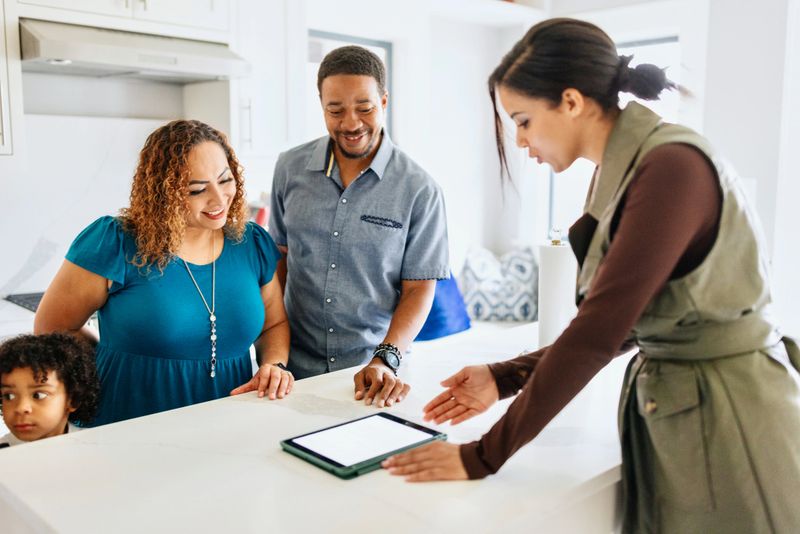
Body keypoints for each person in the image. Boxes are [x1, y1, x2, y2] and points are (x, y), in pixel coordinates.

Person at [383, 18, 800, 533]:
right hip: (687, 408)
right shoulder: (622, 171)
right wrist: (504, 375)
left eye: (523, 119)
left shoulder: (671, 167)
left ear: (572, 102)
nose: (518, 140)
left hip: (731, 416)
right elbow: (627, 323)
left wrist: (482, 456)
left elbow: (599, 332)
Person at [35, 120, 293, 426]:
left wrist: (274, 365)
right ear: (163, 192)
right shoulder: (115, 242)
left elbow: (273, 324)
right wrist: (114, 357)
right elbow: (53, 328)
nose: (219, 198)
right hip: (126, 421)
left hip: (230, 423)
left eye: (225, 180)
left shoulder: (252, 242)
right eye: (197, 189)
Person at [270, 46, 450, 407]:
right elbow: (278, 263)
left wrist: (387, 357)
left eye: (364, 108)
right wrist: (272, 354)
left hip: (373, 376)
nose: (350, 123)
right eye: (335, 110)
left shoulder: (419, 189)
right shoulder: (289, 169)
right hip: (291, 374)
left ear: (384, 101)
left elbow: (419, 289)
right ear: (321, 106)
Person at [0, 333, 99, 447]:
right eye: (9, 396)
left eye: (38, 395)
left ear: (73, 400)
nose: (21, 408)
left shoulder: (92, 447)